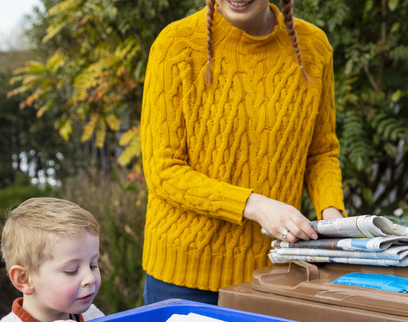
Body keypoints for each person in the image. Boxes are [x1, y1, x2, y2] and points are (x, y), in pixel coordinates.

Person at [141, 0, 346, 305]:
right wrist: (254, 205)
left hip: (274, 274)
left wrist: (332, 216)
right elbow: (163, 170)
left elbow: (320, 152)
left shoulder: (313, 48)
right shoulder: (175, 45)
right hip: (183, 280)